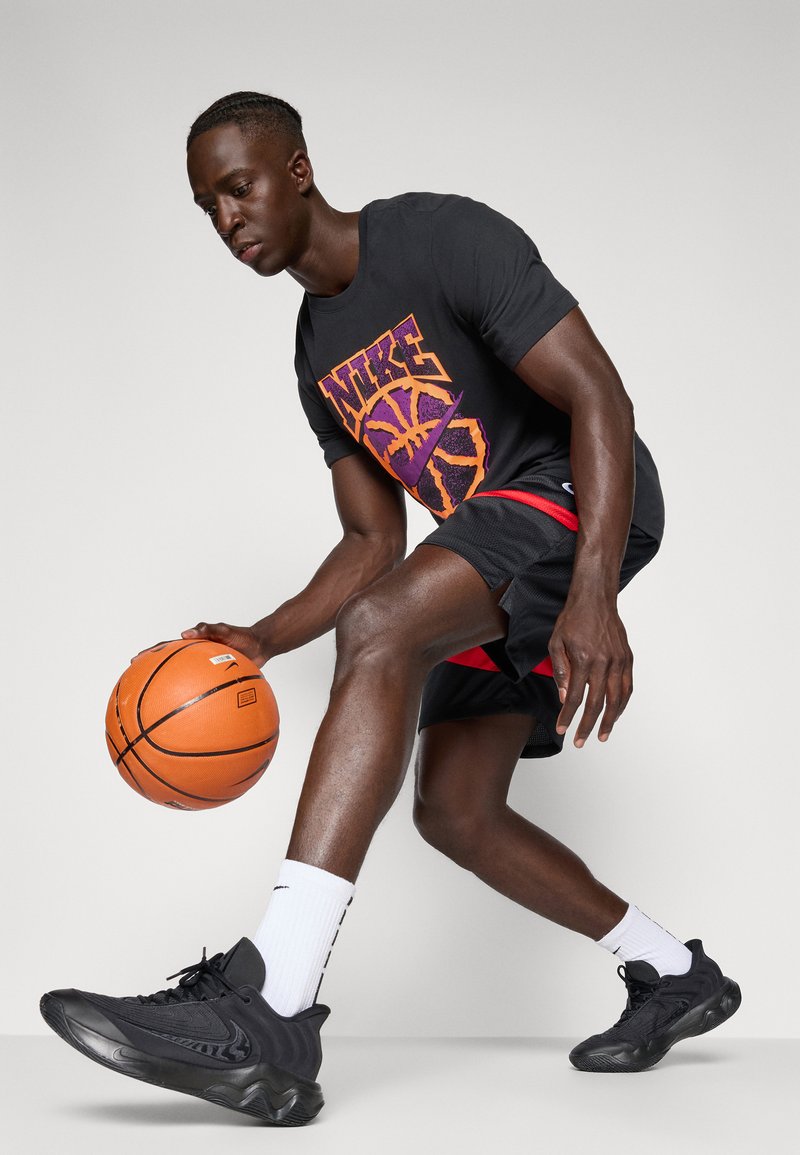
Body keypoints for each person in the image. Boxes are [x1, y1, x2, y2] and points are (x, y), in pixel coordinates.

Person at [40, 92, 741, 1125]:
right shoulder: (315, 354)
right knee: (453, 810)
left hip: (580, 492)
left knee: (381, 630)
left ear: (297, 170)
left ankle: (273, 999)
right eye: (206, 206)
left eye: (238, 188)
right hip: (495, 545)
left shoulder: (438, 236)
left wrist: (591, 590)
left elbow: (599, 393)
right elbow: (373, 543)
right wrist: (261, 639)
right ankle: (673, 972)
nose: (227, 219)